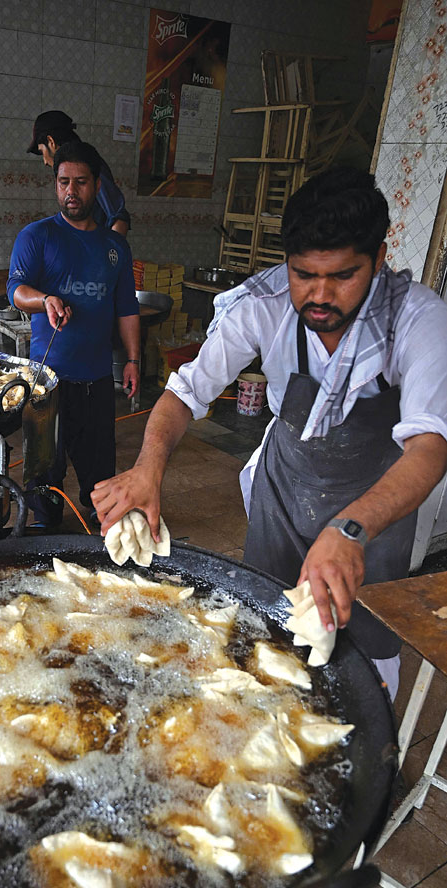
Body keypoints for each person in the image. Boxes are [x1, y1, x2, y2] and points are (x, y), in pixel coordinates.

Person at [92, 166, 447, 697]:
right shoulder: (265, 305)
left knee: (365, 659)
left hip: (376, 504)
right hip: (285, 492)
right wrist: (148, 469)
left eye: (343, 275)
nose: (320, 295)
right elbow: (184, 393)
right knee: (264, 631)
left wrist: (349, 530)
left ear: (378, 256)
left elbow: (428, 448)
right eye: (304, 274)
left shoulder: (417, 320)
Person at [7, 139, 140, 528]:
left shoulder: (114, 247)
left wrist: (132, 359)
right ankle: (42, 530)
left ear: (97, 185)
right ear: (55, 184)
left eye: (81, 182)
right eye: (64, 181)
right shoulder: (37, 236)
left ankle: (96, 536)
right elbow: (16, 290)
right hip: (48, 382)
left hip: (97, 380)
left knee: (99, 480)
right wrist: (45, 299)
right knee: (44, 480)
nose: (71, 191)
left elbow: (127, 307)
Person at [27, 110, 131, 236]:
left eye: (42, 151)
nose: (44, 161)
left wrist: (107, 253)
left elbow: (120, 219)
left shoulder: (89, 164)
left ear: (51, 142)